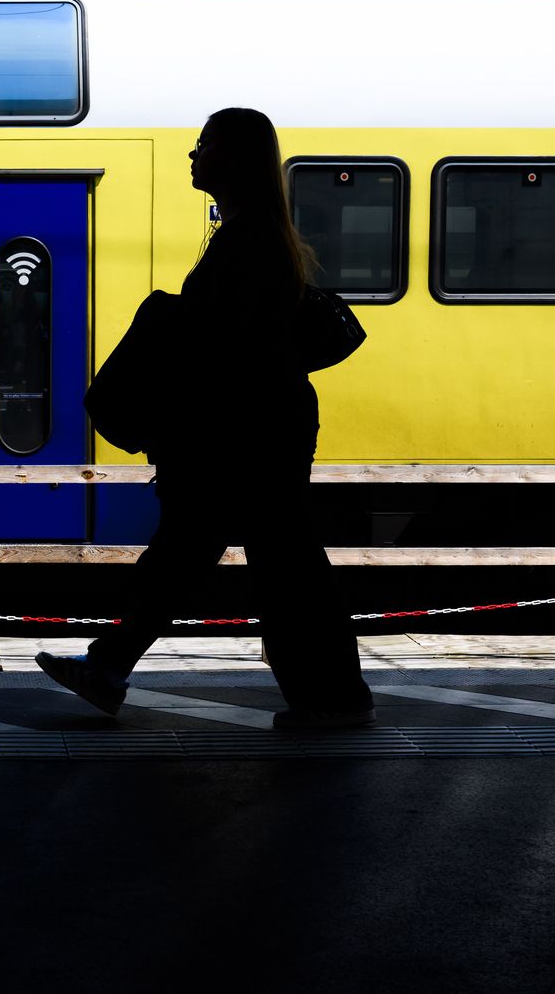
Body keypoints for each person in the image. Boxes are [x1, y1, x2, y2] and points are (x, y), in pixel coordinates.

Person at [36, 108, 375, 729]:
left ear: (235, 159)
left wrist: (167, 326)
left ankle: (334, 699)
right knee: (224, 557)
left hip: (245, 434)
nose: (193, 156)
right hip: (257, 429)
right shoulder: (255, 234)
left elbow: (224, 348)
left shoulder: (248, 241)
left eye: (205, 145)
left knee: (270, 566)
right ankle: (113, 667)